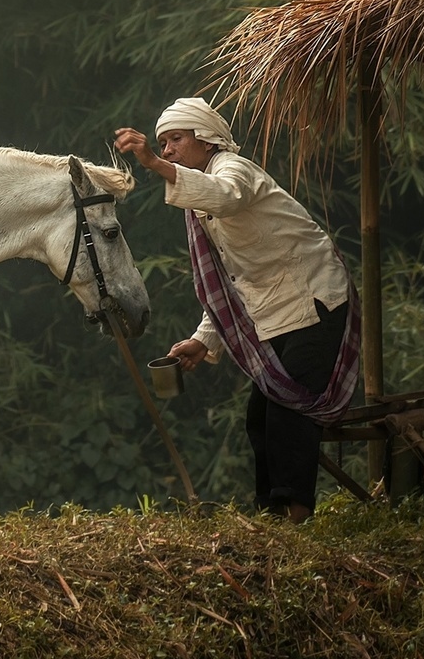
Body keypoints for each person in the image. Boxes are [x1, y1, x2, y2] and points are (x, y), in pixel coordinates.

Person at [114, 99, 359, 523]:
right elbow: (232, 283)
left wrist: (151, 163)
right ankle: (272, 516)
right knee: (260, 417)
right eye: (162, 144)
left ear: (206, 139)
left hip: (314, 300)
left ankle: (296, 518)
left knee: (289, 409)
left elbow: (226, 196)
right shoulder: (200, 198)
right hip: (274, 310)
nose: (168, 150)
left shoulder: (233, 170)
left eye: (175, 139)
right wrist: (202, 339)